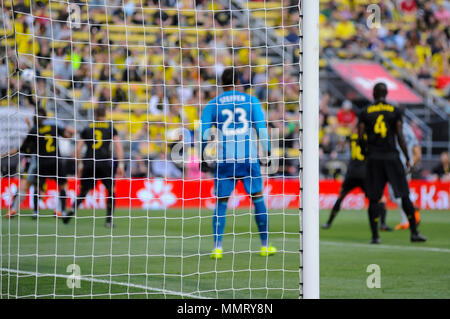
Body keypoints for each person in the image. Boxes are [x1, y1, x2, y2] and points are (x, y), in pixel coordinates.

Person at [200, 67, 275, 259]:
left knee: (222, 203)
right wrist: (267, 152)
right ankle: (265, 245)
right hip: (248, 159)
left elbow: (204, 134)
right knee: (257, 198)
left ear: (221, 84)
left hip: (225, 159)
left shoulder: (213, 104)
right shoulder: (251, 101)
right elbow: (262, 130)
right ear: (239, 82)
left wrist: (203, 156)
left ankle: (218, 247)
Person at [358, 82, 426, 244]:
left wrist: (365, 153)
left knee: (374, 199)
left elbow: (360, 136)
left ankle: (375, 236)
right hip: (392, 157)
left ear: (374, 94)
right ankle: (414, 233)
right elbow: (400, 137)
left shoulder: (365, 112)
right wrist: (407, 158)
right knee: (404, 195)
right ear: (386, 94)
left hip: (375, 158)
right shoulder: (394, 111)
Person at [5, 107, 74, 218]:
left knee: (30, 186)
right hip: (55, 161)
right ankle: (60, 210)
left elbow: (23, 147)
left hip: (40, 162)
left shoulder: (34, 130)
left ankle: (16, 209)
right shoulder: (53, 127)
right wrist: (71, 135)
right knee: (63, 186)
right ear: (46, 117)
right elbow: (67, 135)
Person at [62, 106, 124, 227]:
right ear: (105, 114)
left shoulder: (88, 128)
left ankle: (72, 210)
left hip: (89, 162)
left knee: (83, 191)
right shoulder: (110, 128)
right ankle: (109, 220)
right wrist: (121, 164)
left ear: (95, 115)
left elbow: (79, 147)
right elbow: (118, 145)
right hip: (105, 162)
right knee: (111, 191)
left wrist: (80, 164)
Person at [322, 128, 391, 231]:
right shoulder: (369, 138)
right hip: (364, 173)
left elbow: (341, 141)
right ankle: (382, 224)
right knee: (379, 198)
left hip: (352, 172)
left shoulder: (352, 137)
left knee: (341, 197)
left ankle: (328, 222)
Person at [389, 120, 422, 230]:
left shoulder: (393, 128)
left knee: (395, 195)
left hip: (395, 164)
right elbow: (418, 152)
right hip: (406, 165)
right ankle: (405, 222)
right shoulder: (411, 131)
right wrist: (411, 165)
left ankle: (412, 211)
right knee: (402, 193)